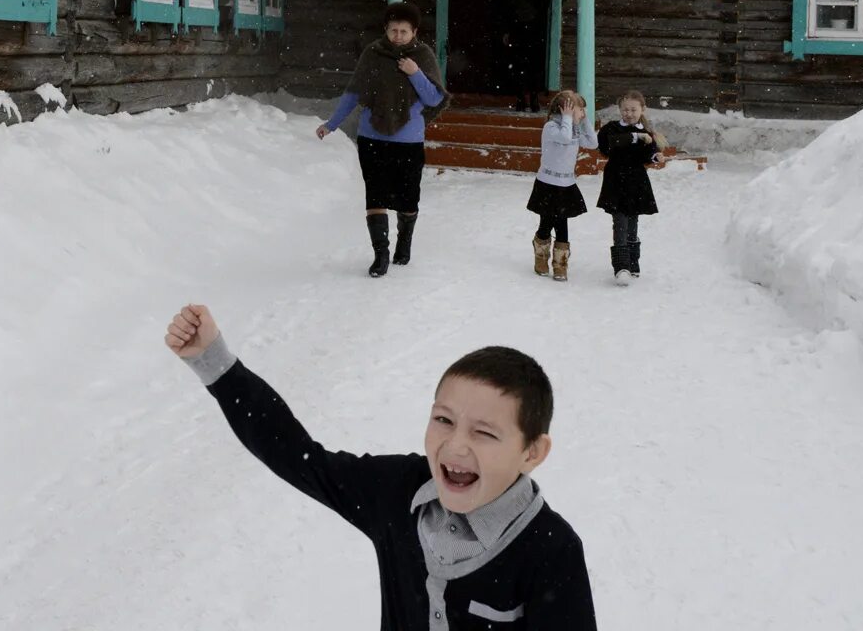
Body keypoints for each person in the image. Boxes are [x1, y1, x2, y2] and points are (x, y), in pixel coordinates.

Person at [165, 303, 597, 629]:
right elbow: (299, 456)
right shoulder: (398, 492)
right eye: (443, 420)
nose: (456, 445)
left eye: (485, 432)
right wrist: (214, 362)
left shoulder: (550, 551)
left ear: (532, 453)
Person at [317, 2, 448, 277]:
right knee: (375, 195)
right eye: (393, 31)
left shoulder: (422, 56)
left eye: (403, 31)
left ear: (414, 32)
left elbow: (434, 98)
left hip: (409, 140)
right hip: (372, 137)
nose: (398, 36)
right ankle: (381, 254)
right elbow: (353, 94)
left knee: (408, 198)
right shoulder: (373, 54)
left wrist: (415, 73)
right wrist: (332, 124)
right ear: (385, 31)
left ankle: (405, 240)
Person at [595, 90, 666, 285]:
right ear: (619, 110)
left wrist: (655, 156)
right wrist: (633, 137)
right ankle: (621, 268)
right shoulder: (611, 129)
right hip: (616, 182)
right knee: (620, 223)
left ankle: (633, 263)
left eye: (633, 109)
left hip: (635, 182)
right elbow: (606, 147)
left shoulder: (646, 132)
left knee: (632, 222)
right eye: (625, 109)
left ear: (642, 109)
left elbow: (647, 154)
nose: (629, 113)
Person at [527, 90, 598, 280]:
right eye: (580, 109)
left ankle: (560, 264)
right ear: (565, 109)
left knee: (562, 224)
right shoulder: (551, 127)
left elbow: (592, 142)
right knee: (546, 222)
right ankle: (541, 256)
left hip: (566, 184)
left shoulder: (573, 129)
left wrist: (583, 121)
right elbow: (565, 138)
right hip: (548, 184)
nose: (582, 113)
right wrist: (567, 117)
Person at [495, 0, 547, 112]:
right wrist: (506, 31)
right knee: (518, 66)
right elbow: (508, 10)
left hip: (535, 33)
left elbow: (543, 8)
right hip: (518, 32)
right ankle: (520, 100)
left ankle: (534, 99)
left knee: (534, 67)